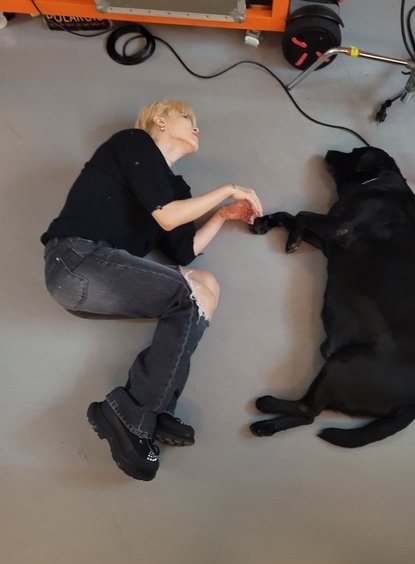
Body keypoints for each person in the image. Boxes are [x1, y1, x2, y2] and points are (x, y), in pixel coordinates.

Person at [41, 99, 263, 482]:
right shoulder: (133, 143)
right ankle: (132, 412)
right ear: (159, 121)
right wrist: (228, 189)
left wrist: (222, 215)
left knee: (204, 284)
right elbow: (168, 216)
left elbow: (183, 249)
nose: (196, 126)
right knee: (188, 294)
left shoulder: (175, 187)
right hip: (75, 260)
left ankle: (151, 410)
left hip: (94, 278)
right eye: (187, 118)